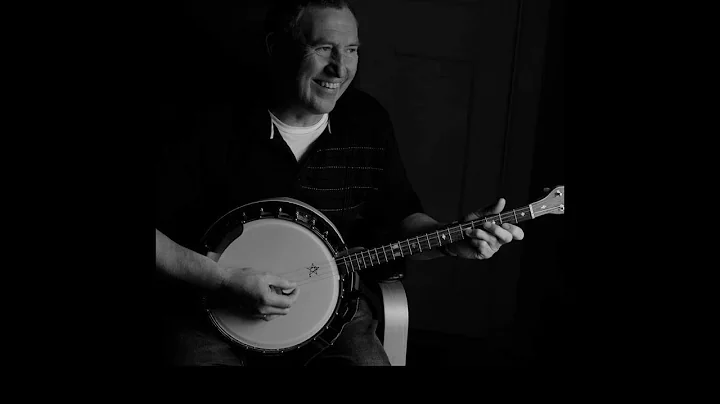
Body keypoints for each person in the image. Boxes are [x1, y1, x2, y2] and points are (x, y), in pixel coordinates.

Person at [154, 0, 525, 366]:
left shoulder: (368, 122)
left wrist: (450, 240)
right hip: (208, 317)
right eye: (323, 48)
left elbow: (402, 218)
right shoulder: (206, 124)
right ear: (276, 48)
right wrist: (222, 280)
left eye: (351, 50)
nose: (340, 67)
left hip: (335, 319)